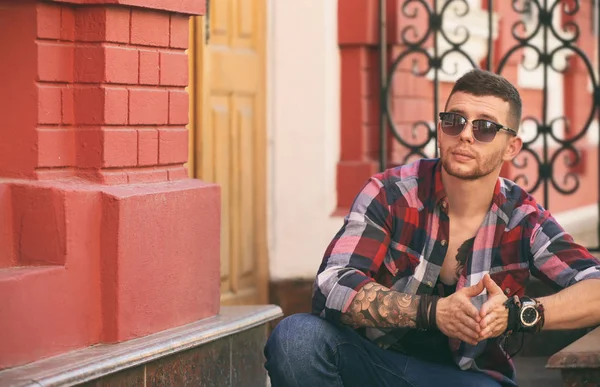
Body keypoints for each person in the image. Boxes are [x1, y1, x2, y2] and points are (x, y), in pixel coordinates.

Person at [263, 69, 600, 387]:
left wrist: (518, 313)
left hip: (464, 377)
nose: (466, 134)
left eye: (484, 128)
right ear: (441, 129)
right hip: (373, 362)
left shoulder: (523, 218)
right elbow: (331, 285)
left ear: (511, 146)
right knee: (297, 338)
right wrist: (433, 312)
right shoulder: (390, 194)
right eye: (454, 121)